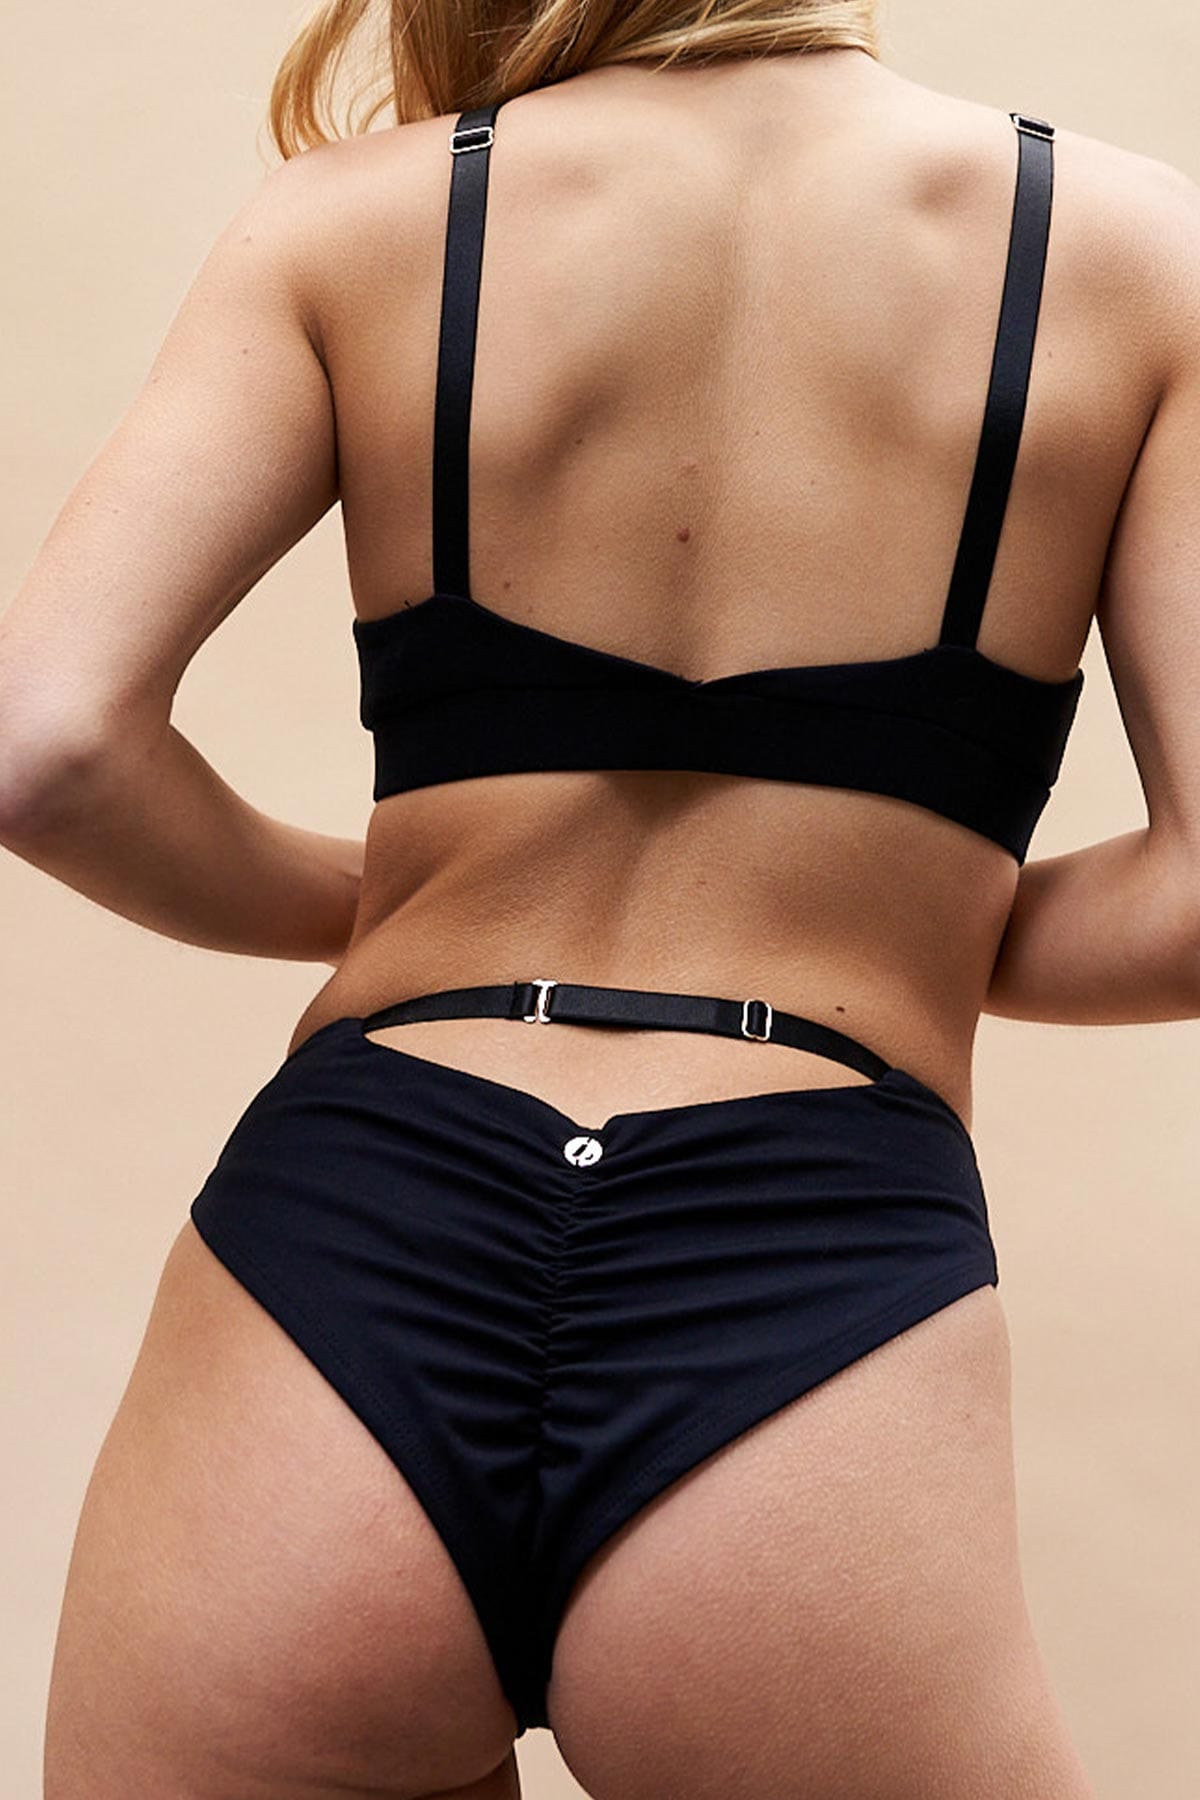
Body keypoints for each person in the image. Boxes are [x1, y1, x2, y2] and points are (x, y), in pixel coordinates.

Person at [8, 2, 1196, 1795]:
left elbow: (46, 748)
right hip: (803, 1251)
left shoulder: (360, 220)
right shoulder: (1127, 249)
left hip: (349, 1246)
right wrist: (900, 922)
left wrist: (382, 904)